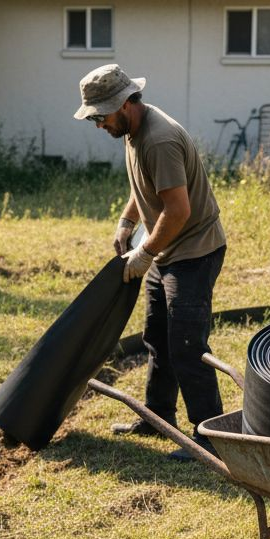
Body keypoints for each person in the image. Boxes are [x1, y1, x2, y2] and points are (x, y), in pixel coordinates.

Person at [74, 64, 227, 461]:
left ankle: (211, 435)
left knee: (187, 344)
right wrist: (127, 221)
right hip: (169, 248)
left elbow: (177, 210)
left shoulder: (158, 139)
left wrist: (144, 253)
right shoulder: (133, 130)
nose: (98, 124)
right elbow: (147, 187)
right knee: (158, 337)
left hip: (194, 251)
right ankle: (158, 416)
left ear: (125, 104)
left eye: (100, 116)